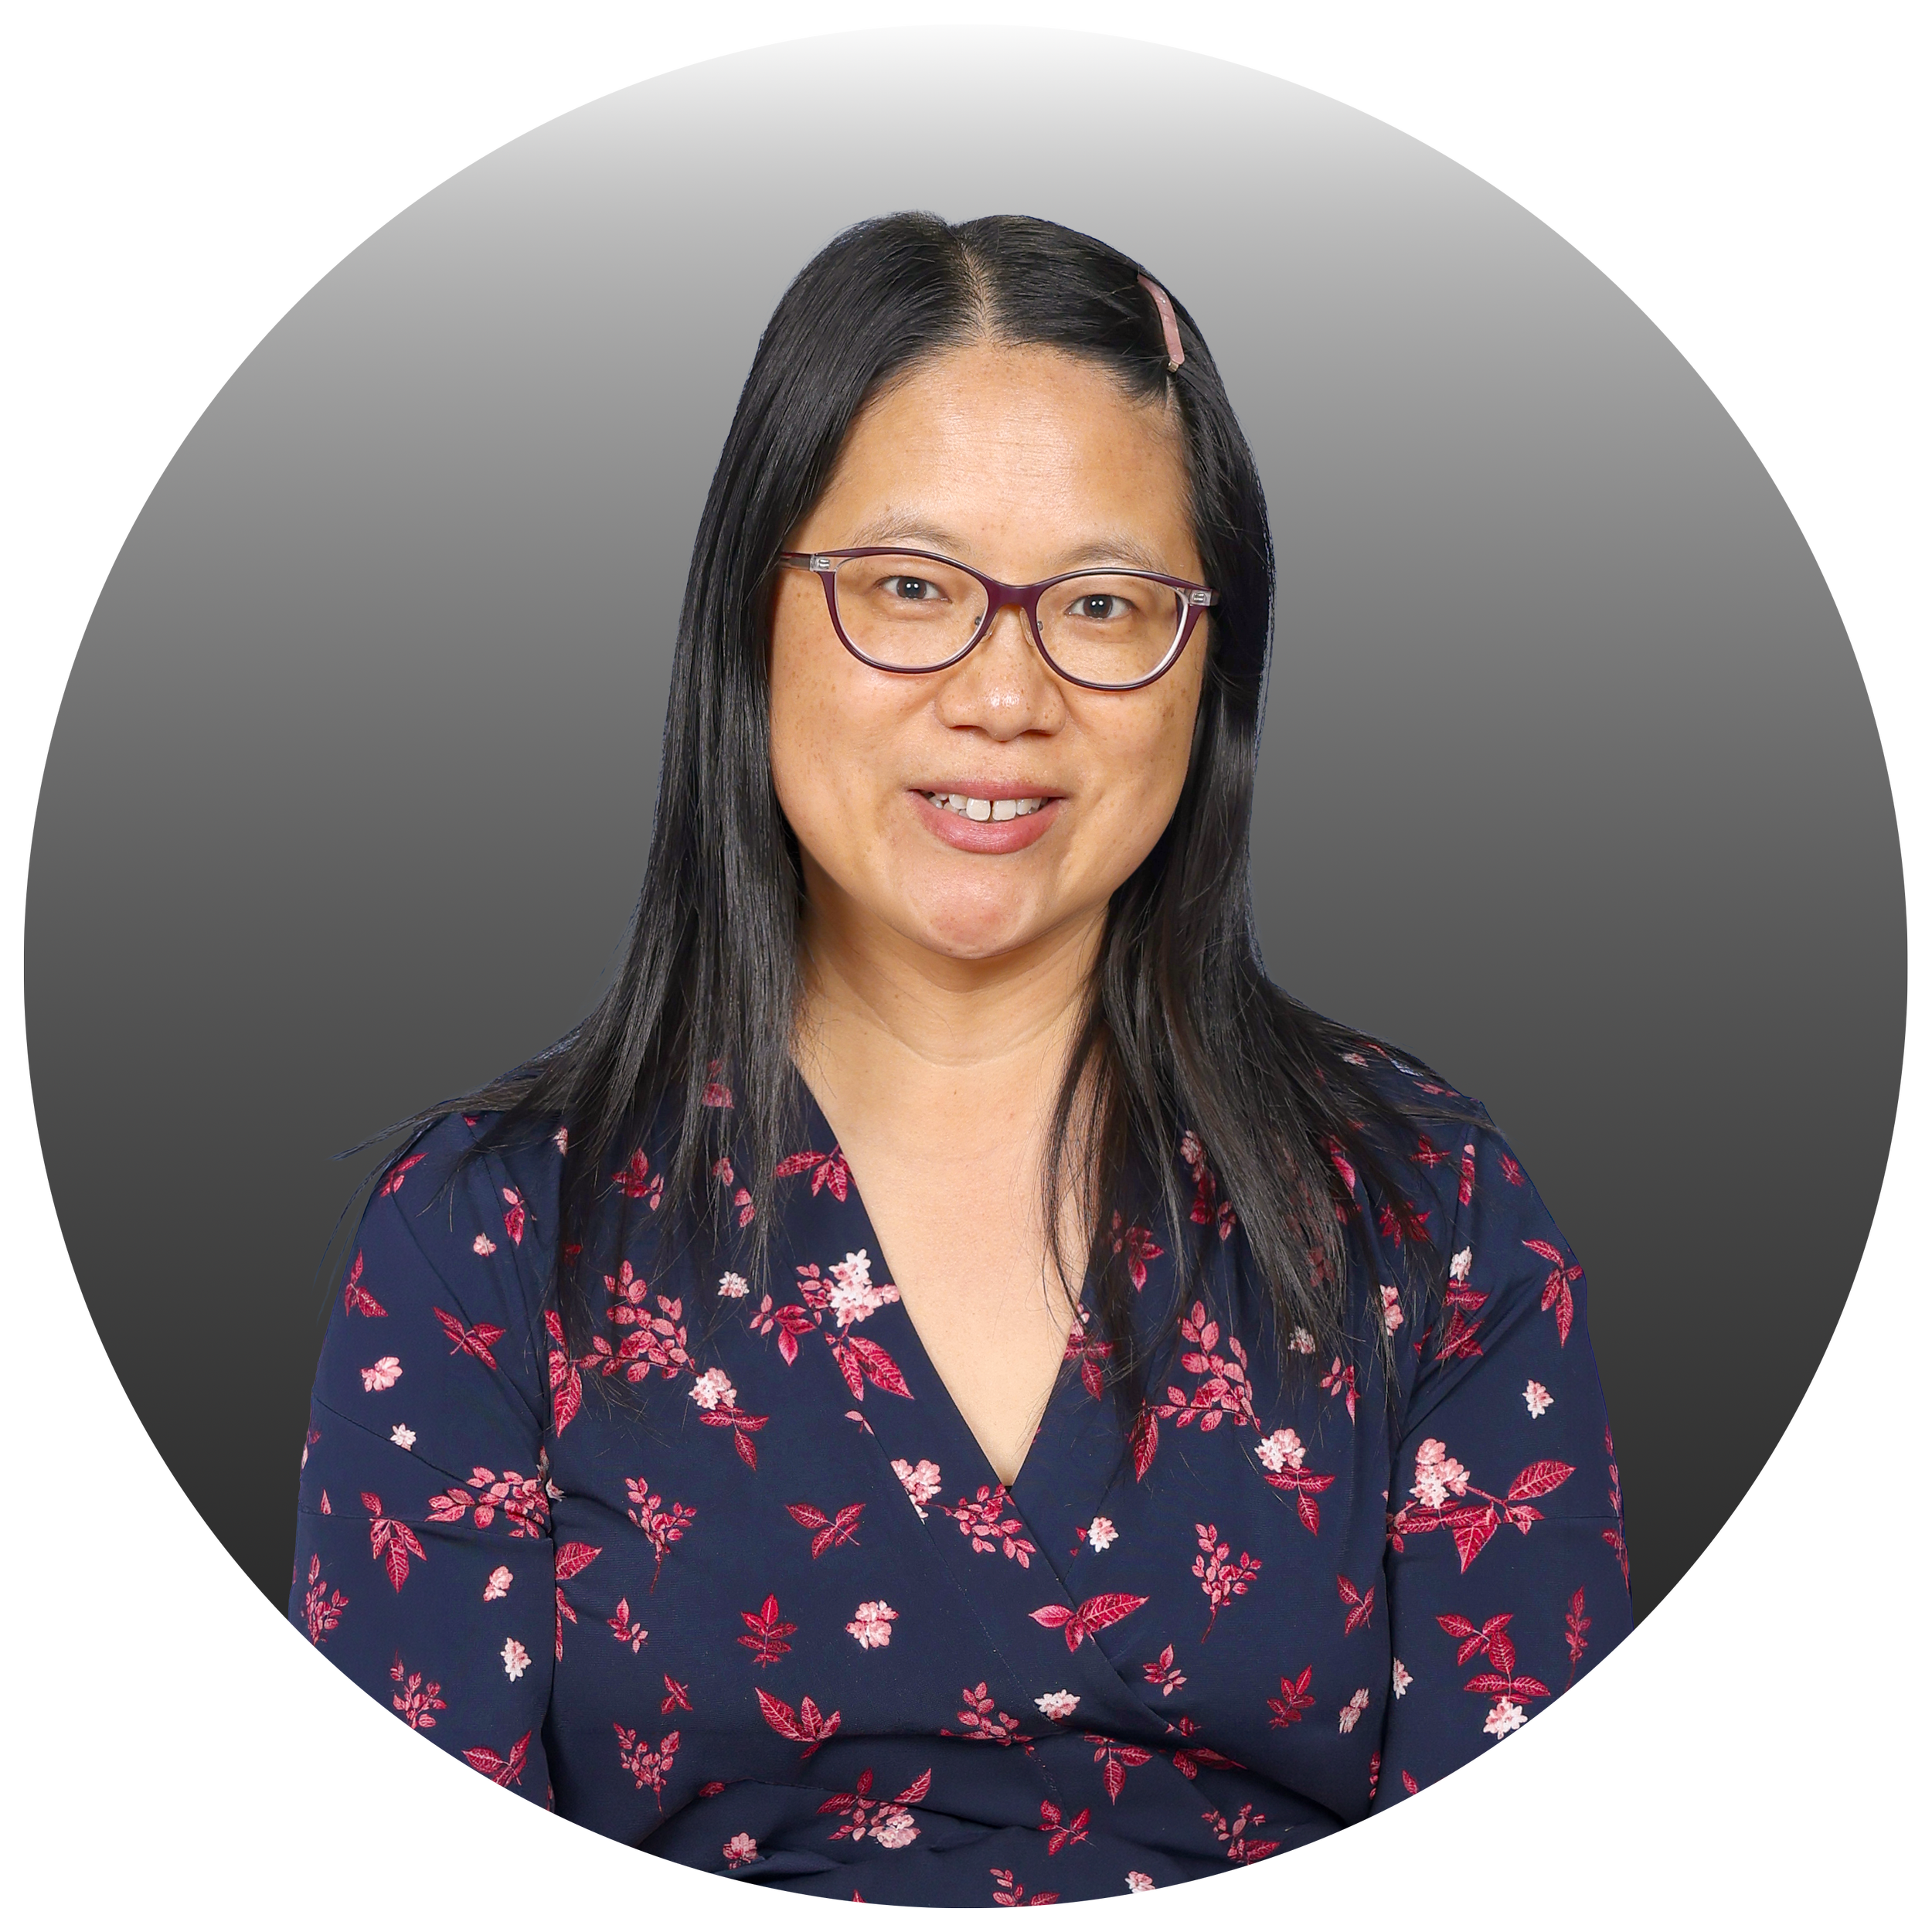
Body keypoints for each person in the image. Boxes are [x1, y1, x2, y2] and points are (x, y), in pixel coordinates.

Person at [290, 211, 1632, 1907]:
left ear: (1211, 664)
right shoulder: (491, 1235)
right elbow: (405, 1880)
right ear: (750, 613)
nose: (1004, 695)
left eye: (1105, 603)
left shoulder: (1423, 1210)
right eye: (910, 589)